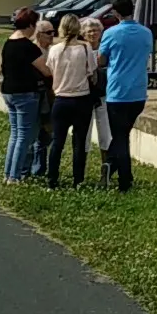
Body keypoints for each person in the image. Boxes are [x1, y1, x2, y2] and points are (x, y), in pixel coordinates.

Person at [98, 0, 153, 193]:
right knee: (124, 134)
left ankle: (123, 178)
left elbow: (102, 60)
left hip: (117, 92)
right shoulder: (146, 33)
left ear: (115, 13)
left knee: (119, 136)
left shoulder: (110, 33)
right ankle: (116, 169)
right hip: (138, 92)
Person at [37, 13, 97, 187]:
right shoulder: (85, 48)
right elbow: (91, 74)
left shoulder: (54, 50)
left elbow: (50, 71)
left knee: (57, 142)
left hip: (61, 99)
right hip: (81, 99)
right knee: (79, 142)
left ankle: (52, 178)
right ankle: (78, 179)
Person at [0, 8, 45, 182]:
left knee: (15, 134)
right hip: (25, 93)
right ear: (31, 25)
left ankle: (8, 173)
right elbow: (45, 70)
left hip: (9, 91)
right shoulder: (28, 47)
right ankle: (15, 175)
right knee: (24, 136)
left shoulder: (8, 43)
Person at [81, 17, 114, 185]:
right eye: (89, 31)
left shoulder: (105, 50)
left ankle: (105, 172)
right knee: (84, 134)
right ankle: (81, 171)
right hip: (85, 97)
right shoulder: (80, 50)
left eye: (96, 31)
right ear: (83, 33)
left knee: (105, 134)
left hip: (103, 96)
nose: (93, 34)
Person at [32, 18, 56, 178]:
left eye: (54, 32)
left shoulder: (53, 50)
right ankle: (35, 169)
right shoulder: (33, 50)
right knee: (37, 133)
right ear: (39, 34)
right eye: (49, 33)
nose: (52, 36)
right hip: (37, 94)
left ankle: (40, 167)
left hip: (51, 96)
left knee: (47, 134)